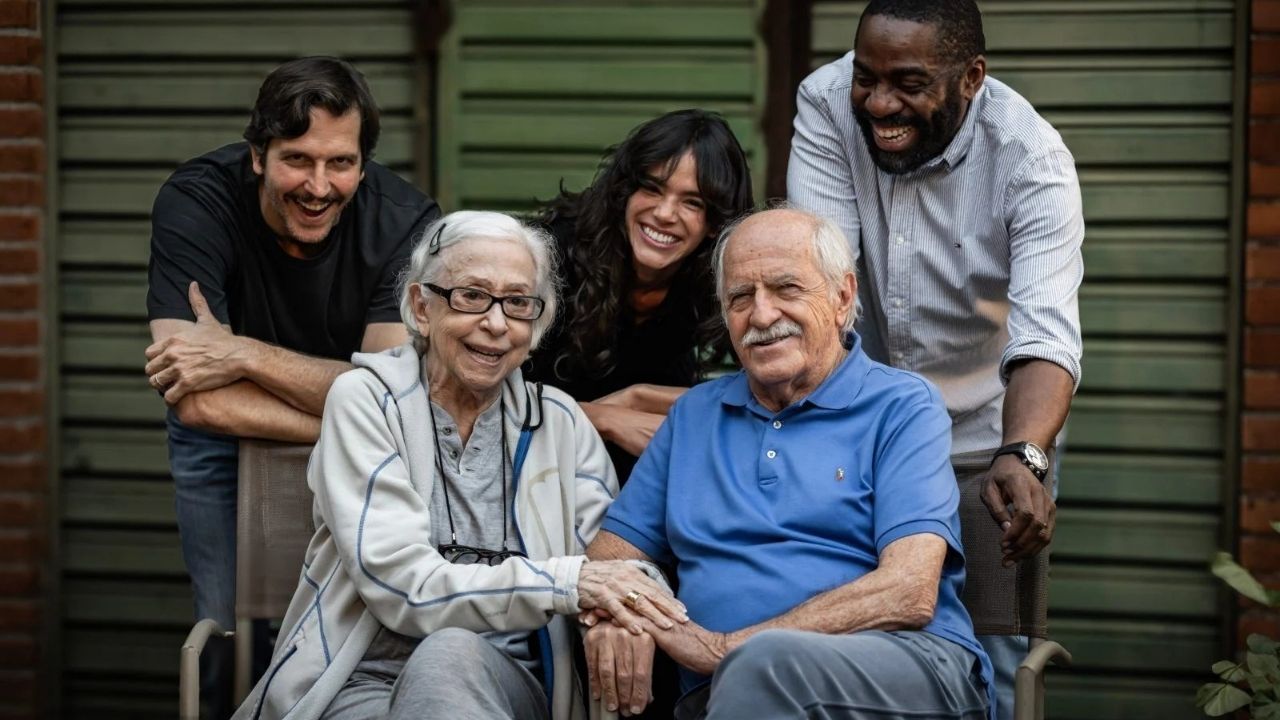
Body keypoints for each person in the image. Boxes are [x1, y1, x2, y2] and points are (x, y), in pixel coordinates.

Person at [232, 211, 687, 720]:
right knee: (443, 654)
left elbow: (616, 558)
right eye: (472, 295)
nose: (495, 323)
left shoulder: (558, 421)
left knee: (451, 655)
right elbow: (403, 584)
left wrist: (618, 615)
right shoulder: (366, 402)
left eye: (517, 303)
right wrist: (567, 584)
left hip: (504, 688)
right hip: (362, 683)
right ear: (420, 307)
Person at [786, 1, 1084, 714]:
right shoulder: (828, 104)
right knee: (850, 630)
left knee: (999, 656)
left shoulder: (1032, 161)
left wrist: (1026, 454)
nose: (880, 103)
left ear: (971, 77)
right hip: (865, 426)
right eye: (867, 76)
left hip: (994, 437)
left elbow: (1046, 332)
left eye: (910, 83)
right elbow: (825, 285)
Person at [581, 207, 993, 720]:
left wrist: (725, 648)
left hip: (910, 668)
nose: (761, 315)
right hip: (728, 692)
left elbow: (907, 591)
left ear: (843, 297)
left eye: (786, 288)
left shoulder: (902, 406)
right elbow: (608, 559)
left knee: (761, 666)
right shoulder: (696, 415)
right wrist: (620, 615)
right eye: (740, 297)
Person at [143, 56, 441, 718]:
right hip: (218, 438)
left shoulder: (406, 223)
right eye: (297, 160)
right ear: (258, 155)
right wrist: (362, 409)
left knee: (343, 629)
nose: (318, 184)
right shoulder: (197, 202)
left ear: (363, 163)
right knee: (227, 628)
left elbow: (395, 405)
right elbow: (194, 397)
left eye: (340, 162)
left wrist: (241, 353)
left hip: (357, 445)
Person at [531, 109, 754, 481]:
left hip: (634, 484)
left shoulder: (716, 279)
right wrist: (603, 417)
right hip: (530, 469)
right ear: (624, 191)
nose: (665, 214)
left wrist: (639, 396)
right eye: (651, 188)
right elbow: (483, 401)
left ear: (716, 223)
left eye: (692, 202)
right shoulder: (549, 256)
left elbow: (769, 393)